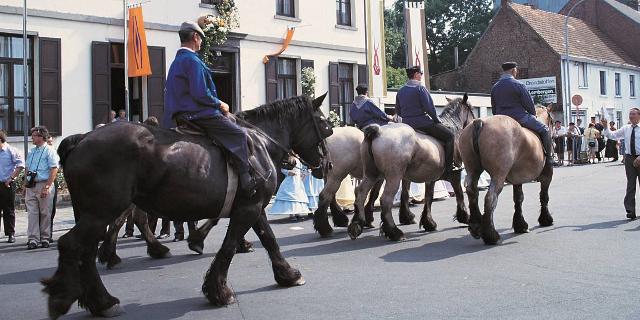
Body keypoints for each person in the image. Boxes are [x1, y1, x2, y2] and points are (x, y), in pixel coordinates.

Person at [163, 21, 257, 195]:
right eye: (200, 39)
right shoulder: (192, 60)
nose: (201, 43)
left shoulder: (177, 61)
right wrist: (220, 103)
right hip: (198, 113)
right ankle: (246, 178)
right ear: (195, 37)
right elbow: (200, 93)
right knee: (238, 134)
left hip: (180, 114)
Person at [395, 66, 455, 176]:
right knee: (450, 136)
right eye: (421, 73)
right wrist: (437, 120)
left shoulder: (400, 91)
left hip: (406, 124)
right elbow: (430, 108)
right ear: (416, 74)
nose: (421, 75)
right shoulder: (420, 89)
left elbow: (398, 111)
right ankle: (448, 169)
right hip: (422, 123)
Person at [490, 62, 554, 165]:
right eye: (516, 69)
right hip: (519, 117)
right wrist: (533, 114)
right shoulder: (518, 85)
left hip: (500, 119)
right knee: (545, 129)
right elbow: (529, 104)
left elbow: (494, 107)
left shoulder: (495, 87)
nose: (517, 71)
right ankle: (549, 158)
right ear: (513, 70)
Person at [601, 108, 640, 220]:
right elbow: (612, 135)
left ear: (639, 116)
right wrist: (605, 127)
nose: (631, 116)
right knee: (631, 184)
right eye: (630, 114)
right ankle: (630, 210)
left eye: (633, 114)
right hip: (629, 158)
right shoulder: (626, 128)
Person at [25, 126, 59, 250]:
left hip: (43, 184)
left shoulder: (49, 150)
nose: (31, 138)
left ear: (40, 137)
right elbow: (27, 168)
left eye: (34, 135)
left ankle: (45, 237)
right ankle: (33, 239)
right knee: (32, 213)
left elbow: (54, 169)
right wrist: (25, 184)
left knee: (45, 212)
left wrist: (47, 186)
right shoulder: (31, 151)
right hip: (31, 185)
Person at [0, 130, 24, 243]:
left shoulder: (11, 150)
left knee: (8, 209)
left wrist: (11, 178)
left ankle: (10, 234)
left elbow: (20, 165)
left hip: (7, 184)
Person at [46, 135, 59, 242]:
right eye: (48, 142)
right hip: (42, 181)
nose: (51, 144)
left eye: (51, 142)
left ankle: (48, 233)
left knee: (51, 209)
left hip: (52, 181)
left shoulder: (55, 153)